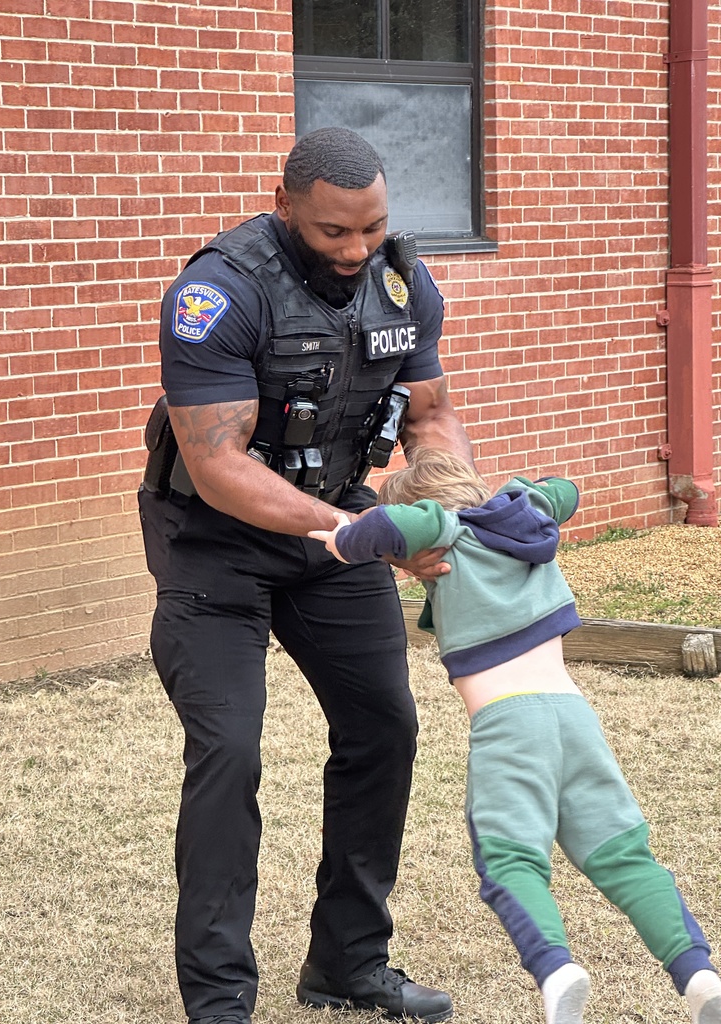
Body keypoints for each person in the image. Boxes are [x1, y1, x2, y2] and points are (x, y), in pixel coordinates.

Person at [137, 127, 475, 1024]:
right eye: (334, 233)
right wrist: (362, 535)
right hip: (215, 541)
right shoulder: (218, 292)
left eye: (371, 228)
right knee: (229, 751)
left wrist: (449, 503)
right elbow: (218, 466)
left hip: (335, 526)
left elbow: (431, 417)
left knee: (385, 731)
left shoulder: (403, 283)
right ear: (286, 207)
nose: (356, 251)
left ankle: (347, 965)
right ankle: (219, 1003)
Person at [308, 447, 721, 1024]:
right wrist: (526, 494)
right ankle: (697, 974)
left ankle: (556, 970)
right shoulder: (527, 517)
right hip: (573, 717)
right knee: (625, 856)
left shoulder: (444, 534)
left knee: (510, 862)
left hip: (509, 723)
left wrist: (347, 539)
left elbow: (406, 522)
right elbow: (566, 490)